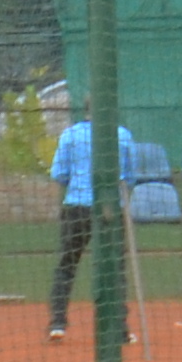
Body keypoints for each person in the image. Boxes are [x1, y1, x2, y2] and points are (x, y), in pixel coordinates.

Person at [45, 102, 149, 341]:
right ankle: (118, 329)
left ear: (86, 111)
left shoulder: (70, 135)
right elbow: (131, 176)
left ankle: (57, 324)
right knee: (114, 270)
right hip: (110, 209)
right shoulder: (122, 135)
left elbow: (59, 174)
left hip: (77, 208)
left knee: (67, 265)